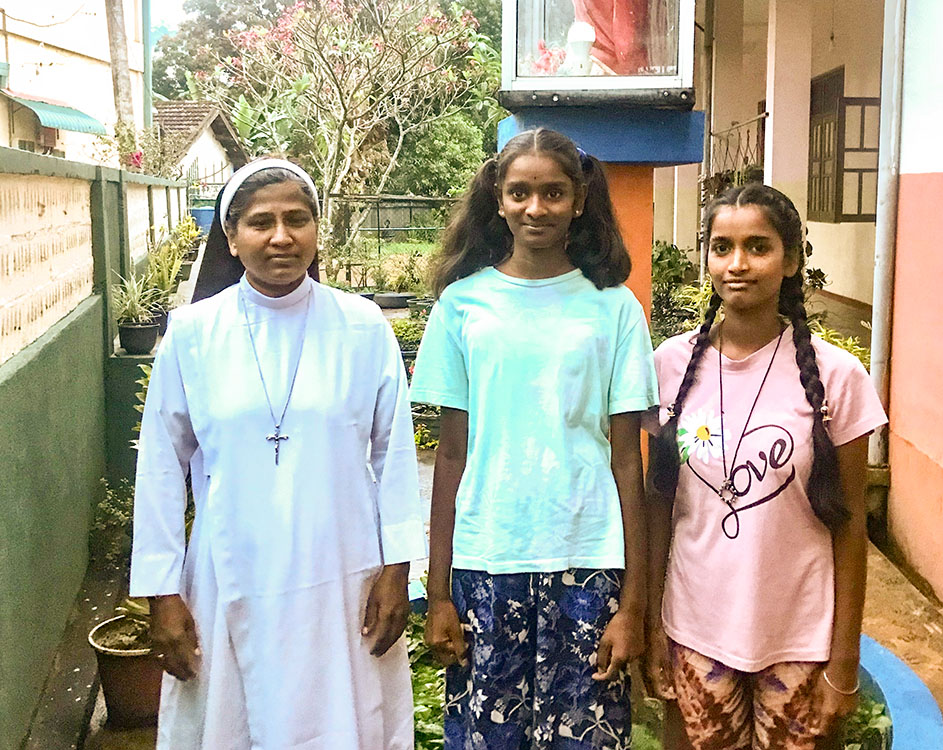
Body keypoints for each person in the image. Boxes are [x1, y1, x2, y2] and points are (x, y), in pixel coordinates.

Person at [129, 158, 425, 750]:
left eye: (297, 219)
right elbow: (161, 465)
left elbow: (395, 454)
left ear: (318, 228)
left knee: (342, 713)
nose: (281, 236)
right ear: (232, 237)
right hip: (228, 572)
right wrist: (162, 591)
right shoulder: (192, 333)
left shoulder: (363, 327)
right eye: (261, 222)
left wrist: (399, 570)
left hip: (341, 569)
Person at [409, 128, 659, 749]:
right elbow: (452, 455)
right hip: (487, 560)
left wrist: (634, 606)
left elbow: (629, 461)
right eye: (520, 192)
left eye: (553, 192)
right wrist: (437, 591)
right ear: (498, 199)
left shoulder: (614, 308)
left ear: (579, 200)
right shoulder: (462, 306)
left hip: (589, 561)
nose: (536, 208)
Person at [642, 183, 887, 749]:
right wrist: (654, 624)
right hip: (695, 633)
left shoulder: (837, 376)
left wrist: (844, 662)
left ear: (793, 259)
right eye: (721, 247)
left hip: (801, 640)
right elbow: (659, 506)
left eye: (758, 246)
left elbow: (851, 528)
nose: (737, 264)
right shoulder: (669, 365)